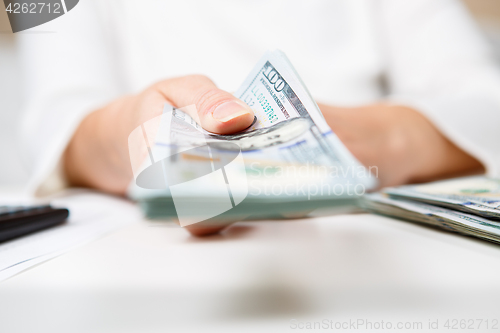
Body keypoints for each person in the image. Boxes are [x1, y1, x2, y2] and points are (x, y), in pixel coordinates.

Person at [18, 0, 500, 235]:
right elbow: (55, 121)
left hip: (371, 239)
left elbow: (484, 101)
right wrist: (133, 129)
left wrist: (357, 142)